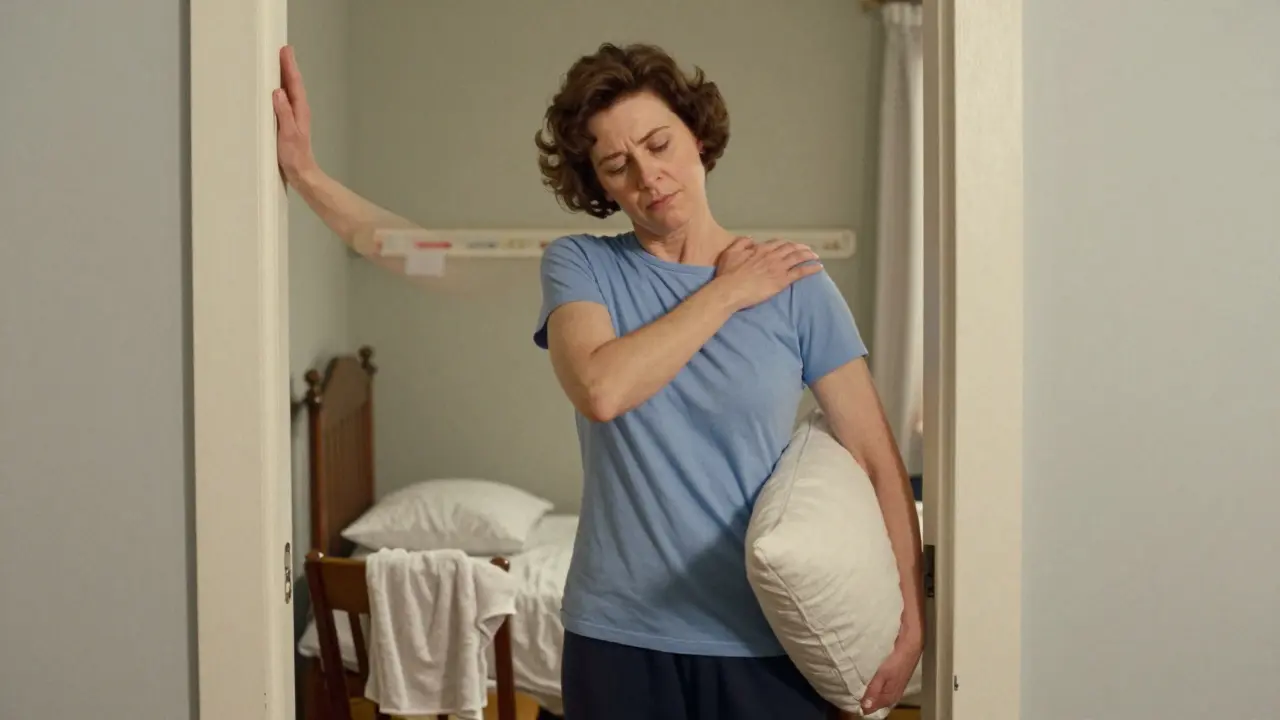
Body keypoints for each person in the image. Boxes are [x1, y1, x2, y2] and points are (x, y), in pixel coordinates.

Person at [274, 40, 922, 720]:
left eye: (659, 143)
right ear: (601, 186)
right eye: (618, 164)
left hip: (768, 644)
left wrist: (911, 621)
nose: (649, 174)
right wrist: (727, 292)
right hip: (620, 640)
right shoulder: (582, 267)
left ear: (697, 137)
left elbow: (876, 459)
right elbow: (601, 389)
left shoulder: (795, 286)